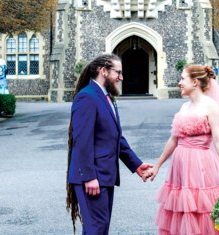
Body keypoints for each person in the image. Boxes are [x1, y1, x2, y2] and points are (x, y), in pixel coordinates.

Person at [143, 64, 219, 235]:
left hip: (200, 165)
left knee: (199, 210)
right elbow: (173, 139)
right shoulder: (184, 107)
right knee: (181, 210)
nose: (179, 83)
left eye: (183, 79)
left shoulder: (211, 106)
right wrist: (157, 166)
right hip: (179, 167)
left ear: (195, 82)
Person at [66, 53, 153, 235]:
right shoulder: (87, 97)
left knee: (100, 228)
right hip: (92, 177)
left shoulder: (106, 97)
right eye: (118, 72)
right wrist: (89, 177)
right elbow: (82, 141)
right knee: (96, 229)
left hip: (105, 175)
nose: (121, 77)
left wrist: (136, 165)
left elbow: (115, 137)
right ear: (103, 71)